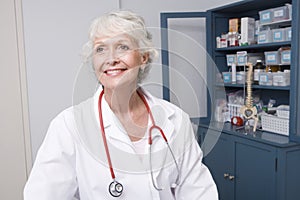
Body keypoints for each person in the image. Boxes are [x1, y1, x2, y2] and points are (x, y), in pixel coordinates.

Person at [24, 10, 218, 199]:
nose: (111, 59)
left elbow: (199, 192)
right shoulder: (69, 125)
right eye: (100, 49)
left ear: (143, 57)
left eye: (123, 47)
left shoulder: (176, 120)